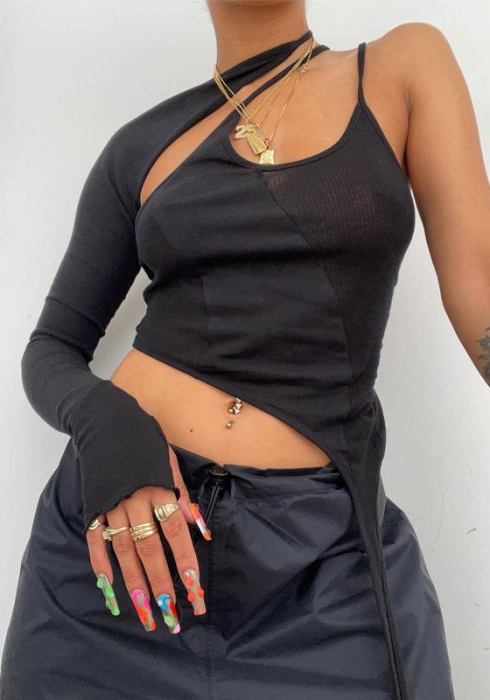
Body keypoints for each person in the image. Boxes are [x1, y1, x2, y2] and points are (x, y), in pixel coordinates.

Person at [1, 1, 489, 698]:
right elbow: (50, 347)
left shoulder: (400, 66)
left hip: (323, 566)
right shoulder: (142, 146)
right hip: (121, 546)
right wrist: (108, 425)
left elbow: (481, 287)